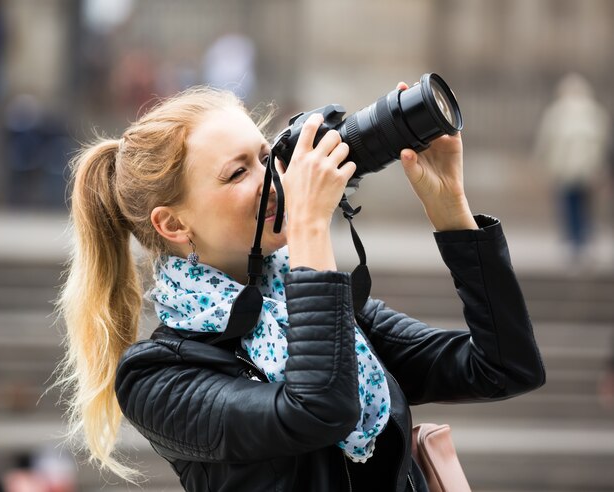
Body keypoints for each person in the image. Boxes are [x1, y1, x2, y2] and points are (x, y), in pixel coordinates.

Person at [57, 82, 546, 491]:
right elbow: (318, 409)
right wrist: (310, 227)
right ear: (173, 224)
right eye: (237, 173)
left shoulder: (328, 310)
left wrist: (451, 213)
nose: (273, 177)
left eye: (266, 156)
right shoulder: (156, 376)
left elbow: (503, 366)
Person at [534, 73, 611, 264]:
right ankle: (580, 240)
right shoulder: (595, 113)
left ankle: (576, 240)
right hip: (585, 170)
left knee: (570, 206)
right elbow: (604, 144)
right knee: (583, 206)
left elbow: (545, 142)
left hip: (566, 170)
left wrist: (542, 164)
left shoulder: (556, 113)